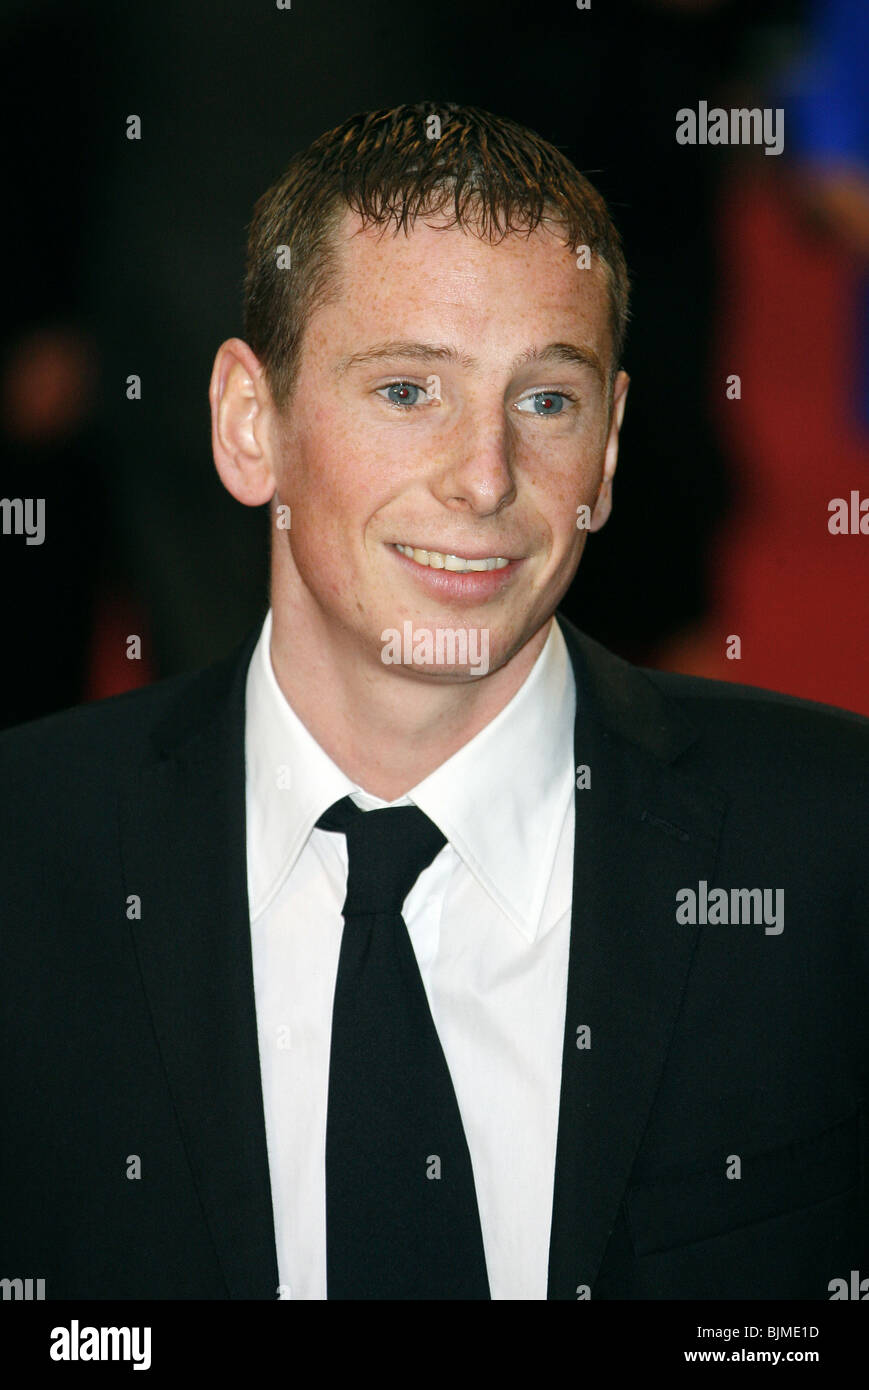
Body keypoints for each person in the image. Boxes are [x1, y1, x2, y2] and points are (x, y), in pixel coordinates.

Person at [1, 103, 866, 1302]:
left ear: (608, 453)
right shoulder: (27, 854)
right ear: (249, 425)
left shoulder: (832, 846)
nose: (484, 476)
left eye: (545, 401)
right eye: (408, 389)